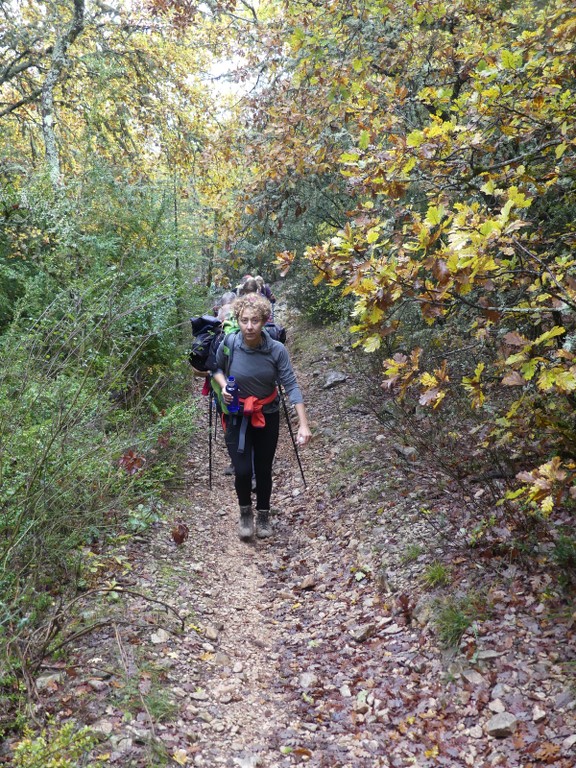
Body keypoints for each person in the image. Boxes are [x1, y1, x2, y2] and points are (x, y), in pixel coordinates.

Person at [211, 294, 311, 540]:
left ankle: (263, 514)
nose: (249, 326)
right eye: (244, 320)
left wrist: (304, 425)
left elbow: (291, 385)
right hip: (236, 415)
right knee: (243, 470)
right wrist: (223, 386)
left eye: (255, 320)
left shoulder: (276, 350)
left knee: (264, 469)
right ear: (238, 320)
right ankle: (246, 513)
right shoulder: (230, 343)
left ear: (265, 321)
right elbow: (215, 368)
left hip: (267, 415)